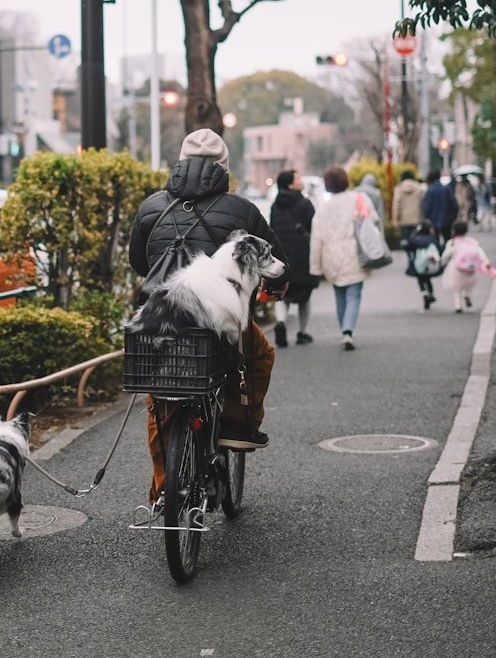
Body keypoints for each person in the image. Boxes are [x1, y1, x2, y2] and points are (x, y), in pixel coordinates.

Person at [128, 128, 289, 500]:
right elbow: (277, 262)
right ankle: (235, 425)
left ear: (181, 163)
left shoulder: (152, 206)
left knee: (161, 398)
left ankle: (162, 492)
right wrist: (276, 288)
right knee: (258, 356)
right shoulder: (243, 210)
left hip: (163, 318)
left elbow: (140, 262)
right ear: (224, 168)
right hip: (218, 321)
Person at [309, 164, 378, 350]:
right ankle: (348, 331)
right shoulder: (360, 198)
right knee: (354, 295)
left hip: (331, 257)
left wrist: (315, 267)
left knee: (340, 295)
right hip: (356, 254)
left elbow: (316, 239)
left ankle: (344, 331)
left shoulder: (323, 208)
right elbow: (374, 221)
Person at [269, 168, 317, 347]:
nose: (300, 180)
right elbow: (314, 227)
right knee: (305, 294)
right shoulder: (305, 204)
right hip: (303, 254)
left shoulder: (275, 205)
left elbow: (272, 228)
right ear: (290, 184)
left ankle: (280, 322)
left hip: (281, 255)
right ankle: (302, 332)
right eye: (297, 178)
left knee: (282, 292)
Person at [440, 220, 494, 312]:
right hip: (471, 267)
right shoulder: (472, 242)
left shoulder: (452, 243)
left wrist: (442, 262)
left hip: (457, 268)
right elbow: (479, 252)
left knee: (457, 288)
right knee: (469, 284)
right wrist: (486, 262)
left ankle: (458, 305)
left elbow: (446, 255)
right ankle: (467, 295)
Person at [405, 222, 443, 310]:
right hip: (430, 264)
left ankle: (424, 293)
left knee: (421, 280)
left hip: (418, 264)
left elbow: (407, 247)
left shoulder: (414, 239)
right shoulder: (432, 239)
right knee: (428, 280)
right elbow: (440, 249)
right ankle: (430, 294)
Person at [422, 170, 458, 247]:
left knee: (435, 241)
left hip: (433, 220)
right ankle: (447, 255)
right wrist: (452, 217)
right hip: (447, 220)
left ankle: (438, 255)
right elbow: (454, 205)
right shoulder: (446, 189)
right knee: (447, 240)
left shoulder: (430, 190)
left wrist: (426, 218)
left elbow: (427, 207)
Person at [392, 168, 425, 243]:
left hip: (404, 220)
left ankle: (409, 254)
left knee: (406, 242)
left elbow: (396, 205)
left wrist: (395, 220)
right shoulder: (419, 188)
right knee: (416, 240)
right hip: (417, 219)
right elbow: (423, 204)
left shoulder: (398, 189)